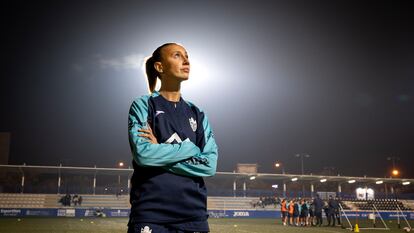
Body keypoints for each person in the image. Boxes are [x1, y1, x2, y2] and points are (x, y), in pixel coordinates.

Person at [127, 43, 219, 233]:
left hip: (194, 216)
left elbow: (209, 165)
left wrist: (159, 150)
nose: (186, 60)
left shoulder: (197, 113)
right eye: (177, 55)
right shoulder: (143, 105)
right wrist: (190, 148)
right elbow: (144, 155)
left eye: (187, 56)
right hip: (151, 215)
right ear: (160, 67)